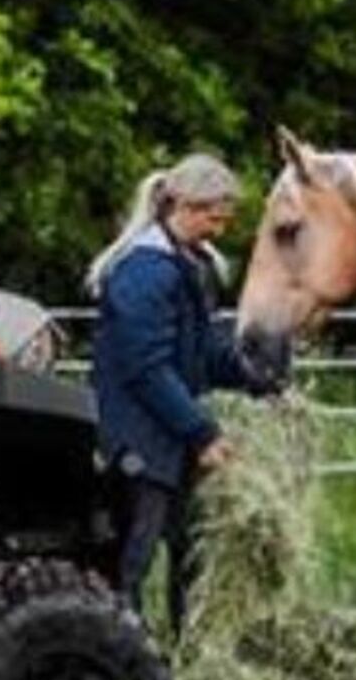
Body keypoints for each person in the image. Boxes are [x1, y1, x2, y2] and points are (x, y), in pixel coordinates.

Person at [84, 152, 274, 639]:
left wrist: (256, 378)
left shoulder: (190, 266)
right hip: (138, 441)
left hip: (168, 437)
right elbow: (146, 368)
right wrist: (202, 432)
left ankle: (187, 655)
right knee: (131, 562)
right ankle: (116, 655)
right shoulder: (145, 273)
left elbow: (203, 349)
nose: (222, 225)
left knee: (190, 551)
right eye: (216, 214)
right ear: (185, 205)